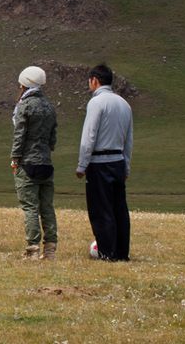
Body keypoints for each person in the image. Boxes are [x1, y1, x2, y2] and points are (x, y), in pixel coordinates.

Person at [76, 64, 134, 261]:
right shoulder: (124, 104)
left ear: (94, 80)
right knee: (119, 208)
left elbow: (89, 135)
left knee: (101, 209)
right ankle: (121, 252)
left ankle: (106, 252)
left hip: (99, 162)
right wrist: (126, 165)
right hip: (118, 160)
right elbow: (129, 139)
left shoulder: (96, 103)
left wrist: (82, 164)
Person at [10, 66, 58, 260]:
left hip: (28, 162)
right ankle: (50, 250)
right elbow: (53, 137)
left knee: (30, 207)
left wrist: (15, 158)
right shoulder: (49, 107)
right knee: (47, 206)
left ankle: (32, 249)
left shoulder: (24, 106)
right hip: (46, 162)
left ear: (25, 84)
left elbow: (19, 135)